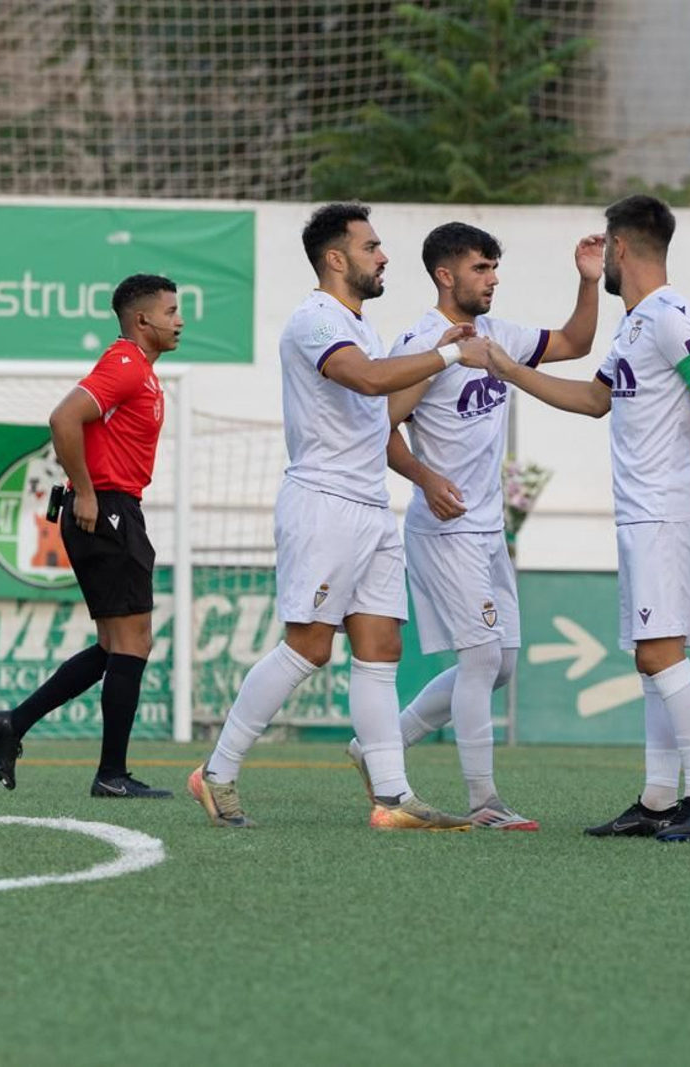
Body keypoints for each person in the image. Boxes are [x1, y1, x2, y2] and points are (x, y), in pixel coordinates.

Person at [189, 202, 491, 830]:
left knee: (381, 647)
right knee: (309, 647)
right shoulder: (314, 320)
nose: (383, 257)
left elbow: (382, 412)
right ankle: (216, 771)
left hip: (372, 506)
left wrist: (436, 357)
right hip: (323, 502)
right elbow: (368, 381)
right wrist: (447, 358)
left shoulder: (362, 326)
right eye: (371, 247)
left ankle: (392, 797)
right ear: (335, 259)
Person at [482, 194, 690, 842]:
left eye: (607, 245)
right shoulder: (634, 323)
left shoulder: (673, 317)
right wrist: (511, 370)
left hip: (668, 511)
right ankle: (657, 799)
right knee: (649, 656)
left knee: (661, 652)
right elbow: (596, 397)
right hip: (642, 512)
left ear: (622, 247)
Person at [343, 221, 603, 830]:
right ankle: (484, 802)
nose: (492, 279)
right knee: (483, 657)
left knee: (502, 664)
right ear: (445, 275)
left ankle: (378, 747)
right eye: (481, 269)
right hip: (444, 529)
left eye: (494, 268)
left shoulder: (496, 333)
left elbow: (574, 341)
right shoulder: (426, 343)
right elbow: (379, 426)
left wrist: (588, 281)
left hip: (487, 531)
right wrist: (425, 479)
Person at [0, 274, 183, 799]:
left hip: (114, 509)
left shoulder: (140, 369)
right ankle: (110, 774)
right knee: (133, 643)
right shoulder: (124, 364)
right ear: (142, 321)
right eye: (170, 311)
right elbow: (63, 417)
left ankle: (13, 723)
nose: (179, 320)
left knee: (115, 644)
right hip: (107, 509)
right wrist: (89, 494)